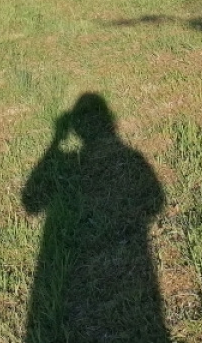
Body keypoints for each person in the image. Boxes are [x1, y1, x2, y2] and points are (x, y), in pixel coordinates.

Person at [22, 93, 168, 342]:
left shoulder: (129, 158)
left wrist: (55, 142)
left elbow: (30, 203)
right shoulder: (133, 157)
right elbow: (155, 201)